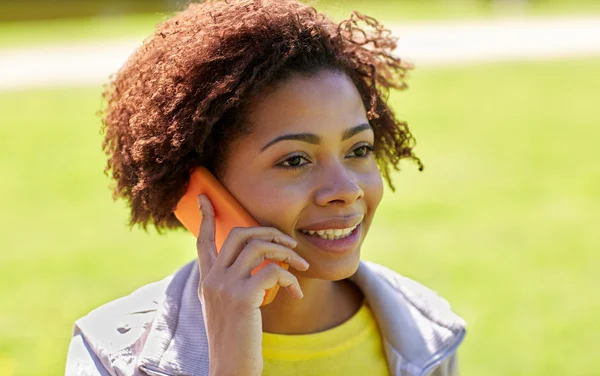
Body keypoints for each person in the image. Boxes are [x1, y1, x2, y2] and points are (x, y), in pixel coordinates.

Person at [65, 0, 466, 375]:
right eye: (294, 160)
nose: (346, 190)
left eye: (358, 149)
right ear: (201, 191)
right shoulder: (111, 356)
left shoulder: (426, 333)